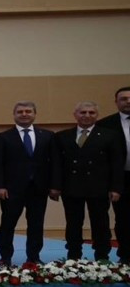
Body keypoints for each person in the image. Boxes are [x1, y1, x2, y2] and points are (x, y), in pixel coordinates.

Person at [50, 101, 124, 261]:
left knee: (100, 223)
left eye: (91, 112)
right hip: (71, 186)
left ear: (97, 115)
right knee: (73, 223)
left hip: (99, 187)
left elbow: (116, 164)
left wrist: (116, 188)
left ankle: (102, 256)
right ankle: (73, 255)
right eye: (83, 112)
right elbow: (57, 164)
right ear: (75, 115)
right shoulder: (62, 136)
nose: (87, 115)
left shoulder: (110, 135)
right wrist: (55, 186)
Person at [0, 102, 54, 268]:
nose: (24, 114)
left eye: (28, 111)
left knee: (36, 224)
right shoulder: (3, 137)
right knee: (8, 224)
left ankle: (33, 257)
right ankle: (5, 257)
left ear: (34, 114)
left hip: (39, 188)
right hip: (11, 189)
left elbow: (54, 163)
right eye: (20, 112)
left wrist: (54, 185)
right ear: (14, 115)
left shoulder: (47, 136)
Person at [96, 86, 130, 264]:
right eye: (123, 99)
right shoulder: (105, 124)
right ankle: (126, 255)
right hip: (120, 178)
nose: (128, 101)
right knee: (123, 218)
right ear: (116, 102)